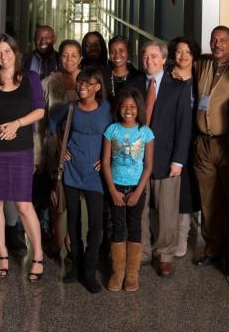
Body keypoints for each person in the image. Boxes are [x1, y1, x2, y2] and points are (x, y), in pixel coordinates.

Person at [0, 33, 46, 282]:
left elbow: (39, 110)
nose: (3, 57)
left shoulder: (31, 79)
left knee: (24, 205)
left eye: (7, 51)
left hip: (20, 149)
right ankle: (2, 254)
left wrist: (16, 124)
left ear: (16, 52)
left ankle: (38, 255)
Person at [126, 41, 192, 277]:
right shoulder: (132, 84)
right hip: (134, 159)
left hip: (166, 158)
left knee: (166, 211)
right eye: (145, 56)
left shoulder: (179, 87)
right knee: (139, 209)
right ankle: (142, 251)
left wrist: (179, 160)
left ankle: (164, 255)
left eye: (154, 56)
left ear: (164, 59)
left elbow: (184, 127)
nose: (149, 60)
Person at [50, 68, 112, 293]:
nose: (82, 86)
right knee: (73, 220)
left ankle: (89, 269)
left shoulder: (107, 109)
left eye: (88, 83)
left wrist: (108, 158)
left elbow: (117, 132)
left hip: (96, 173)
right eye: (79, 83)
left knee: (96, 224)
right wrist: (61, 148)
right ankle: (76, 266)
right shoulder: (71, 108)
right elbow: (52, 122)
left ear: (98, 86)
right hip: (72, 170)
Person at [192, 25, 229, 272]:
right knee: (208, 200)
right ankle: (212, 248)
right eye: (214, 40)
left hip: (226, 145)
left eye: (223, 40)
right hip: (203, 143)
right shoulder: (202, 65)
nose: (217, 44)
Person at [102, 88, 154, 292]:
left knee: (134, 227)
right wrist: (113, 191)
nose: (128, 110)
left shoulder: (145, 132)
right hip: (115, 186)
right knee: (117, 227)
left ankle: (132, 274)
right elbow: (106, 163)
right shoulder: (111, 130)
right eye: (123, 106)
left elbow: (148, 165)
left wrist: (138, 192)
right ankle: (118, 272)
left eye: (132, 106)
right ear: (118, 108)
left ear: (139, 108)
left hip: (136, 188)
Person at [35, 39, 82, 258]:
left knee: (78, 197)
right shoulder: (48, 83)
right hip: (56, 150)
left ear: (80, 58)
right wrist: (39, 155)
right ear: (59, 57)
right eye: (65, 55)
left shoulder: (88, 81)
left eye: (74, 55)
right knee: (57, 195)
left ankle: (72, 238)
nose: (69, 59)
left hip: (82, 150)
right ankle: (56, 235)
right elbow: (40, 124)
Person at [167, 36, 201, 258]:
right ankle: (165, 236)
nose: (183, 56)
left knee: (187, 191)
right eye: (179, 51)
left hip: (195, 141)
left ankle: (182, 237)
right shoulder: (168, 77)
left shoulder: (201, 77)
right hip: (172, 139)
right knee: (170, 188)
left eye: (188, 51)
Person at [102, 36, 140, 102]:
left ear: (128, 52)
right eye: (113, 51)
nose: (117, 55)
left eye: (121, 50)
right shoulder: (101, 75)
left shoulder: (138, 77)